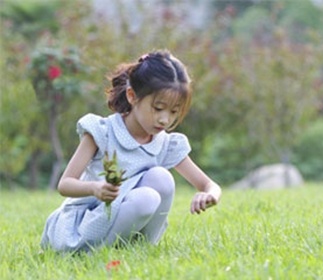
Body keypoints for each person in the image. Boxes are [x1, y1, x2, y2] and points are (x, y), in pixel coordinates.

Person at [40, 50, 222, 253]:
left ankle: (142, 250)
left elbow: (209, 185)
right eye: (158, 108)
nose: (165, 119)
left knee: (161, 177)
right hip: (86, 223)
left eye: (173, 111)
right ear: (132, 96)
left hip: (124, 216)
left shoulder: (164, 143)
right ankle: (94, 254)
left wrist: (209, 195)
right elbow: (65, 184)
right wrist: (95, 188)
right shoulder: (103, 132)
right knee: (147, 198)